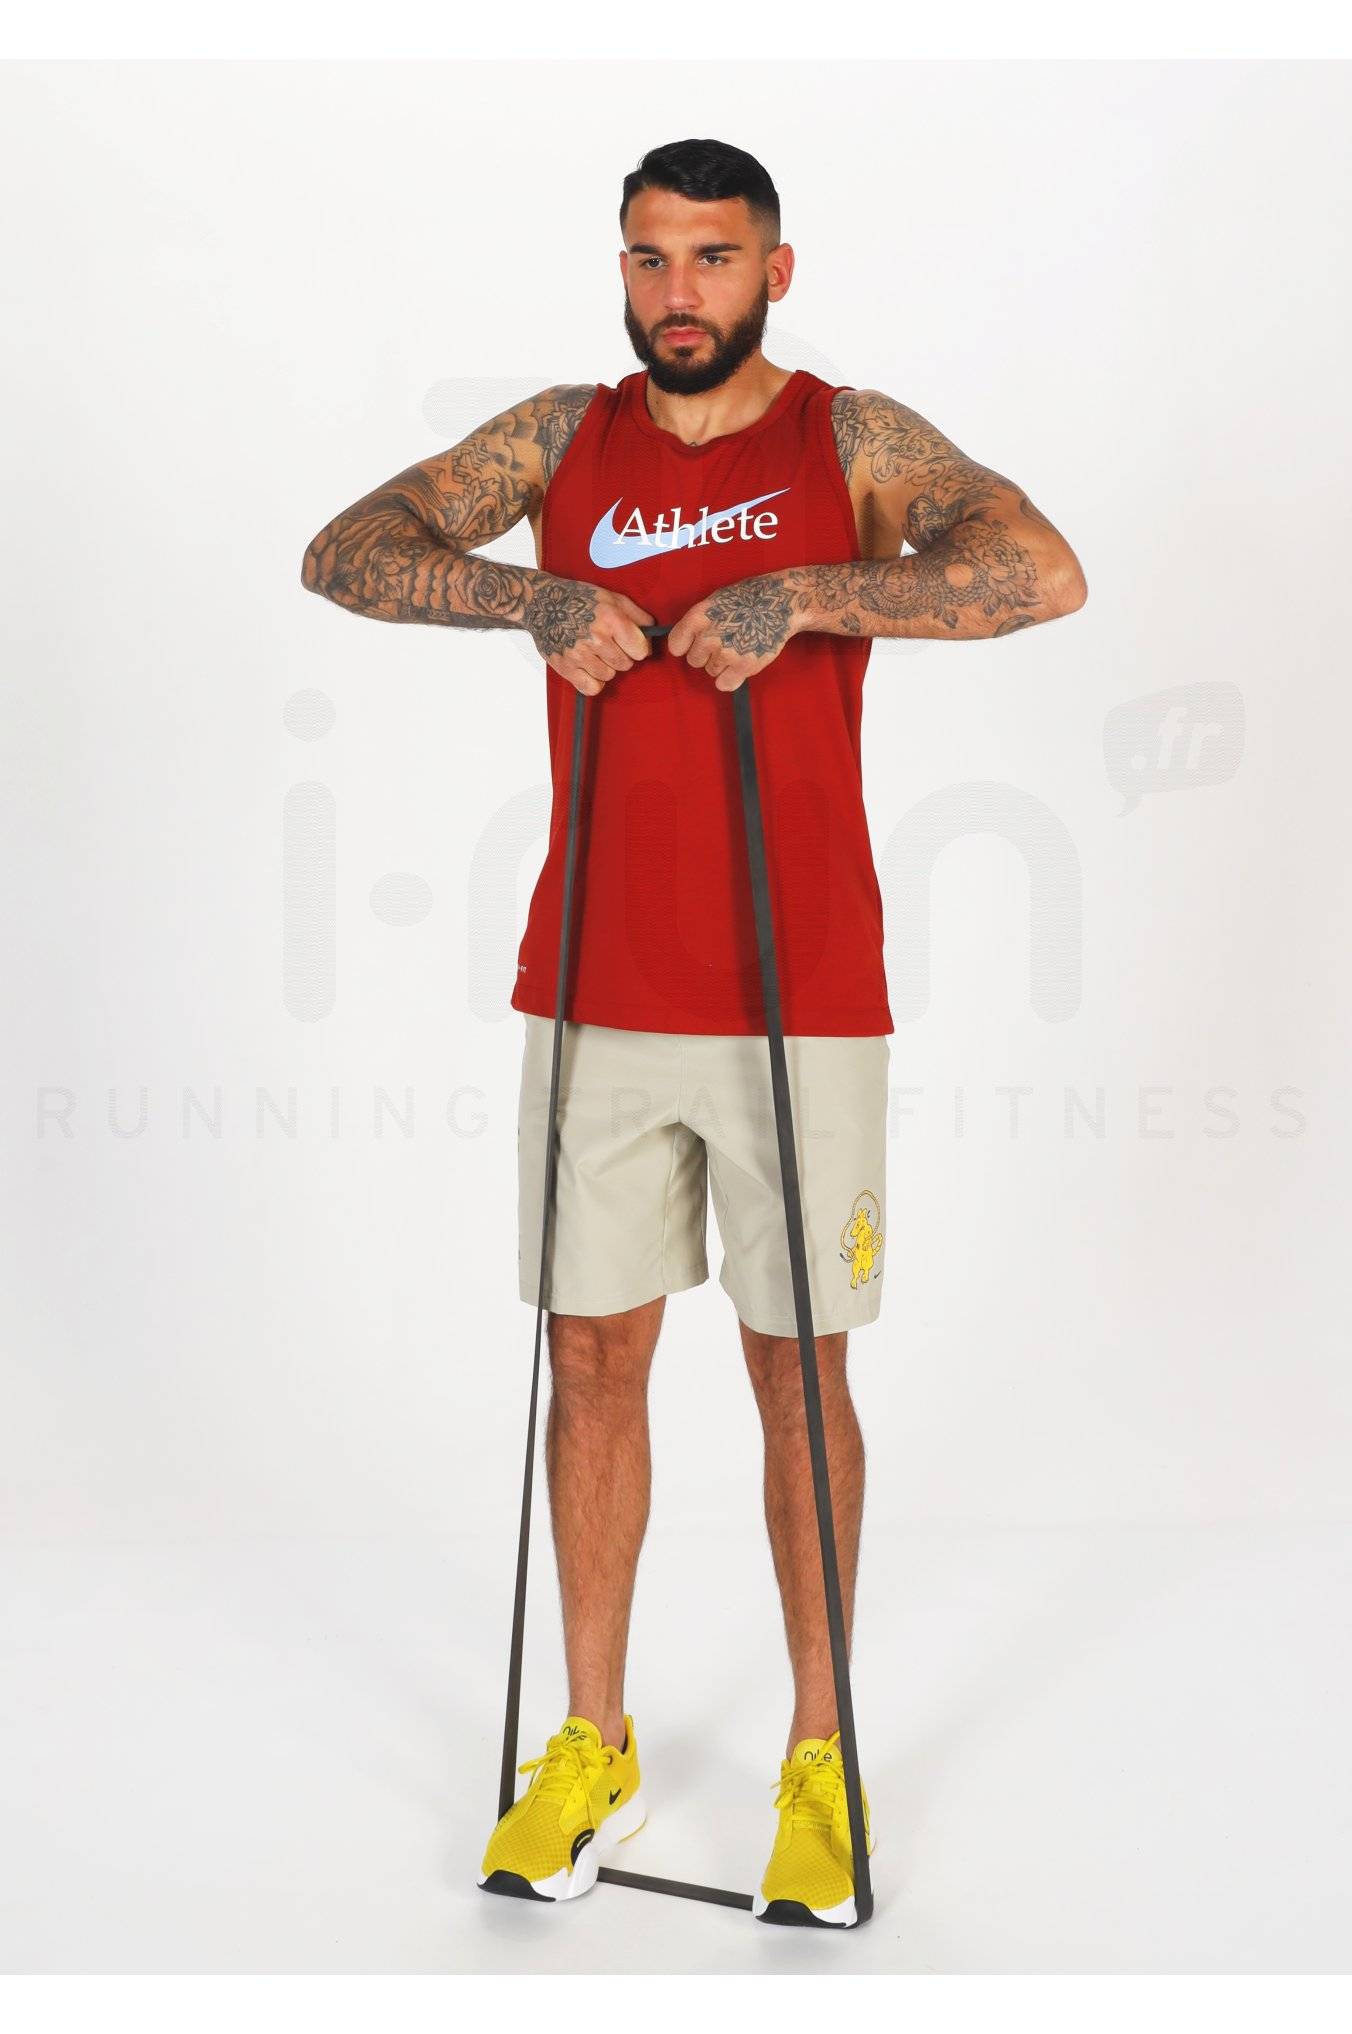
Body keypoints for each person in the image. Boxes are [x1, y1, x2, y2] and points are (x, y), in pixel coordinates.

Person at [302, 136, 1087, 1929]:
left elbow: (1039, 569)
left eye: (713, 258)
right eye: (651, 257)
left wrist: (810, 590)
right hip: (593, 981)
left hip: (803, 993)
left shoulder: (850, 439)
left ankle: (821, 1753)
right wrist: (529, 596)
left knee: (797, 1374)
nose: (678, 292)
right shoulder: (560, 438)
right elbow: (345, 548)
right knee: (593, 1361)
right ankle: (591, 1742)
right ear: (622, 267)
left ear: (775, 272)